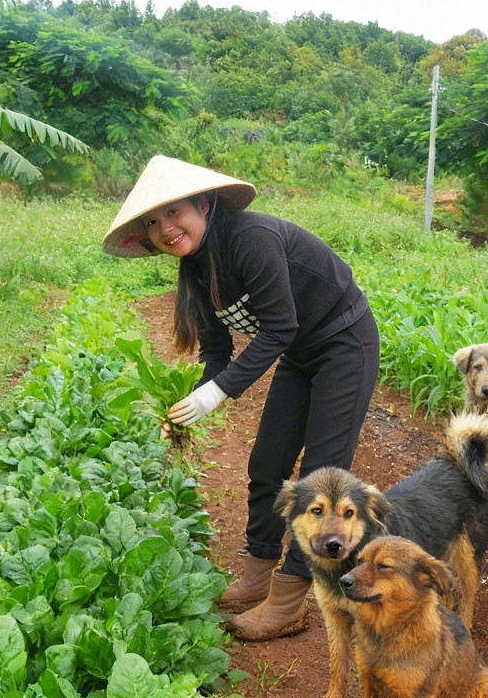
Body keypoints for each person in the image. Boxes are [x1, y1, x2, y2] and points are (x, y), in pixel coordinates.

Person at [102, 155, 380, 641]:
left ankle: (290, 599)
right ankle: (258, 572)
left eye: (173, 212)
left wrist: (218, 393)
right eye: (152, 223)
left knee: (321, 478)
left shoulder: (251, 239)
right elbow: (216, 350)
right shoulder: (195, 268)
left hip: (344, 342)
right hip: (299, 353)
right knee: (267, 462)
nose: (165, 229)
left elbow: (279, 328)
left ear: (204, 205)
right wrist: (191, 402)